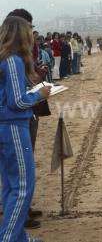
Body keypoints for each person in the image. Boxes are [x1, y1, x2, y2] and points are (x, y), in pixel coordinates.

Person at [0, 16, 51, 242]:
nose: (32, 34)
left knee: (11, 185)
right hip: (13, 127)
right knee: (22, 187)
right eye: (29, 30)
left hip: (6, 126)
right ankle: (10, 238)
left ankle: (18, 236)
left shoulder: (7, 59)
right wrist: (39, 94)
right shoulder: (13, 60)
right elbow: (17, 102)